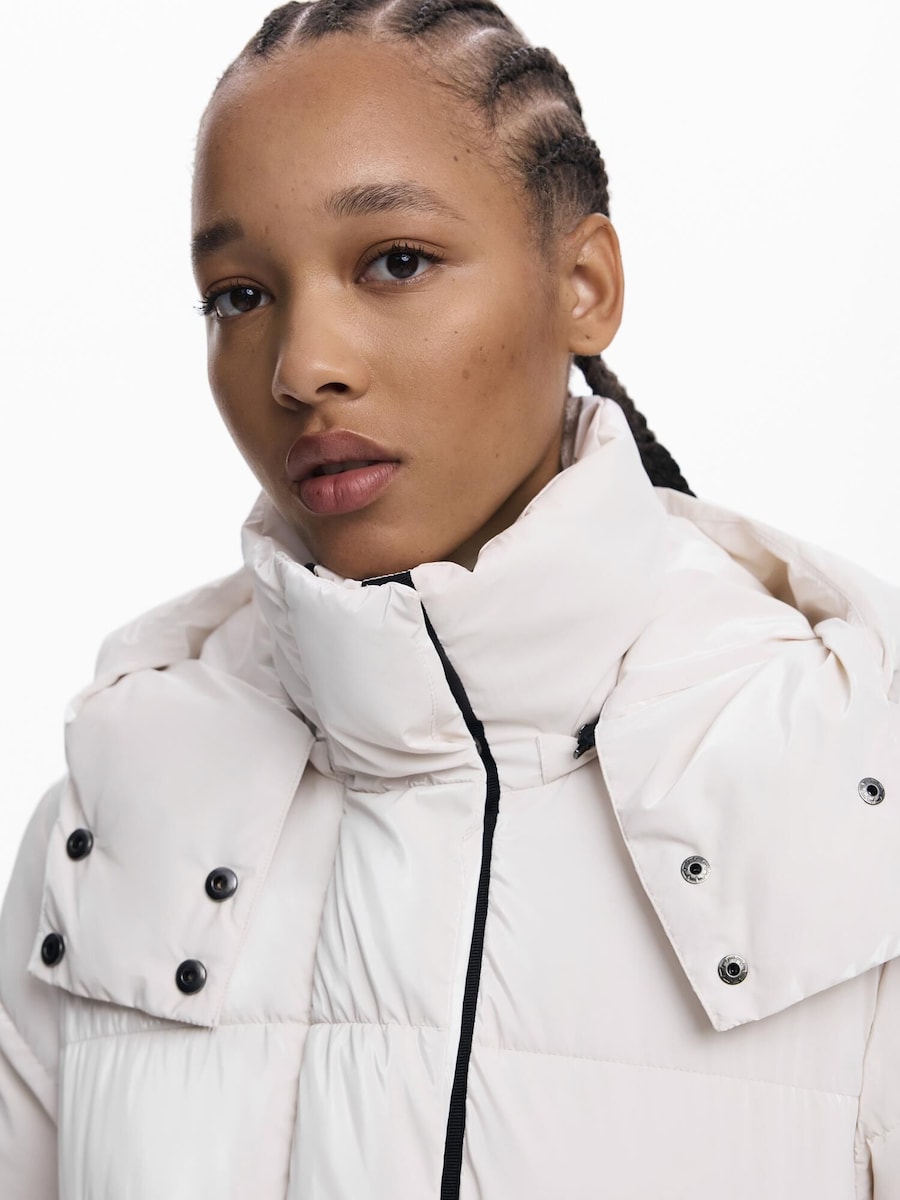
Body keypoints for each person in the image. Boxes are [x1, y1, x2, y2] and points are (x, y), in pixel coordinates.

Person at [1, 0, 898, 1195]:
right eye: (239, 295)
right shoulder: (112, 819)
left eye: (396, 262)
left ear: (584, 283)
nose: (303, 366)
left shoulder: (853, 780)